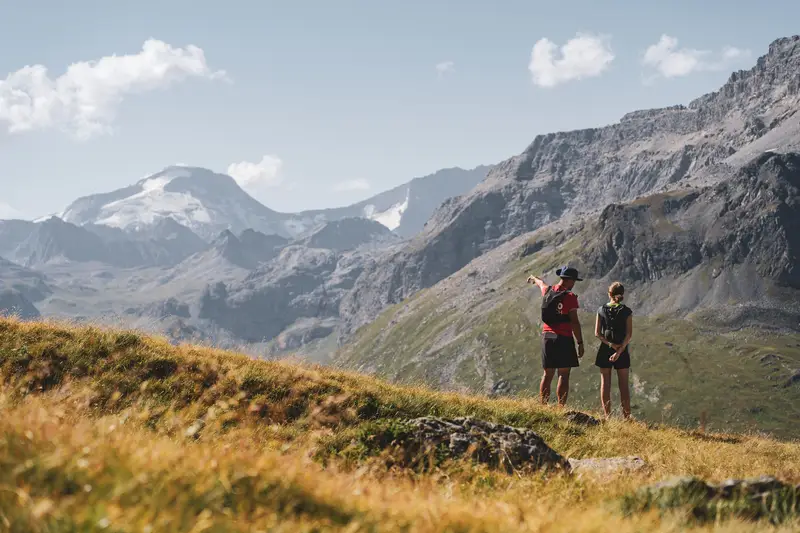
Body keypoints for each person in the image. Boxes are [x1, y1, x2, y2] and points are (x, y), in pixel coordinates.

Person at [527, 266, 585, 407]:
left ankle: (543, 405)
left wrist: (533, 278)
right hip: (563, 337)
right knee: (563, 375)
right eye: (574, 281)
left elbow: (540, 283)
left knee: (547, 374)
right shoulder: (570, 297)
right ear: (570, 281)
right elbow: (574, 322)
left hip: (547, 336)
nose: (574, 284)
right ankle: (560, 408)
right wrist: (580, 342)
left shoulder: (548, 290)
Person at [594, 282, 633, 419]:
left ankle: (607, 416)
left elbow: (597, 333)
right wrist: (619, 350)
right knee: (623, 385)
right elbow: (629, 335)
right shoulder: (626, 311)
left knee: (605, 383)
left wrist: (611, 345)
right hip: (622, 350)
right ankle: (627, 417)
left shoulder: (601, 310)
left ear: (609, 293)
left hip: (605, 348)